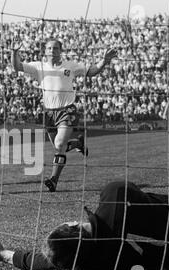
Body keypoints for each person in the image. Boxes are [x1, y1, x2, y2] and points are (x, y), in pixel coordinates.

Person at [0, 177, 169, 270]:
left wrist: (4, 254)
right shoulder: (115, 196)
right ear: (73, 225)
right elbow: (130, 187)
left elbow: (43, 261)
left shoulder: (93, 261)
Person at [11, 39, 117, 192]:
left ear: (60, 50)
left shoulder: (70, 65)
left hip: (67, 110)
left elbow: (91, 71)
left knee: (59, 145)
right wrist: (15, 52)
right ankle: (77, 144)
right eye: (49, 48)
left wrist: (104, 61)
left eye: (55, 48)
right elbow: (17, 66)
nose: (52, 51)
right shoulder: (38, 66)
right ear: (45, 51)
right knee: (58, 145)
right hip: (48, 112)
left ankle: (53, 180)